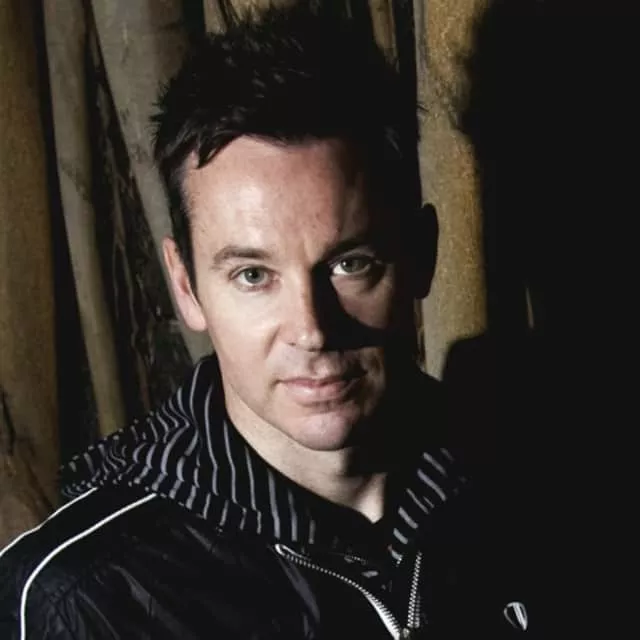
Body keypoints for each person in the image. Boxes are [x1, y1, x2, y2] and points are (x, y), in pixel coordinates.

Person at [0, 5, 535, 638]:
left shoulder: (536, 480)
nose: (312, 329)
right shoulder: (87, 600)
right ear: (186, 286)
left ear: (421, 255)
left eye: (350, 264)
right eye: (253, 275)